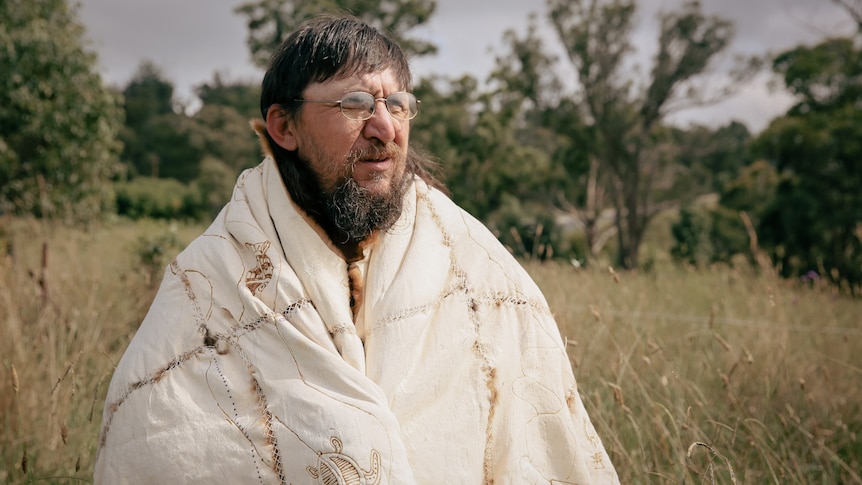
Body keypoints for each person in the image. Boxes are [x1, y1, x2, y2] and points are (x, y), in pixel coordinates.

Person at [95, 15, 619, 484]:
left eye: (398, 105)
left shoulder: (476, 265)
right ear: (284, 127)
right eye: (355, 104)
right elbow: (160, 443)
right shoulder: (211, 275)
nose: (385, 127)